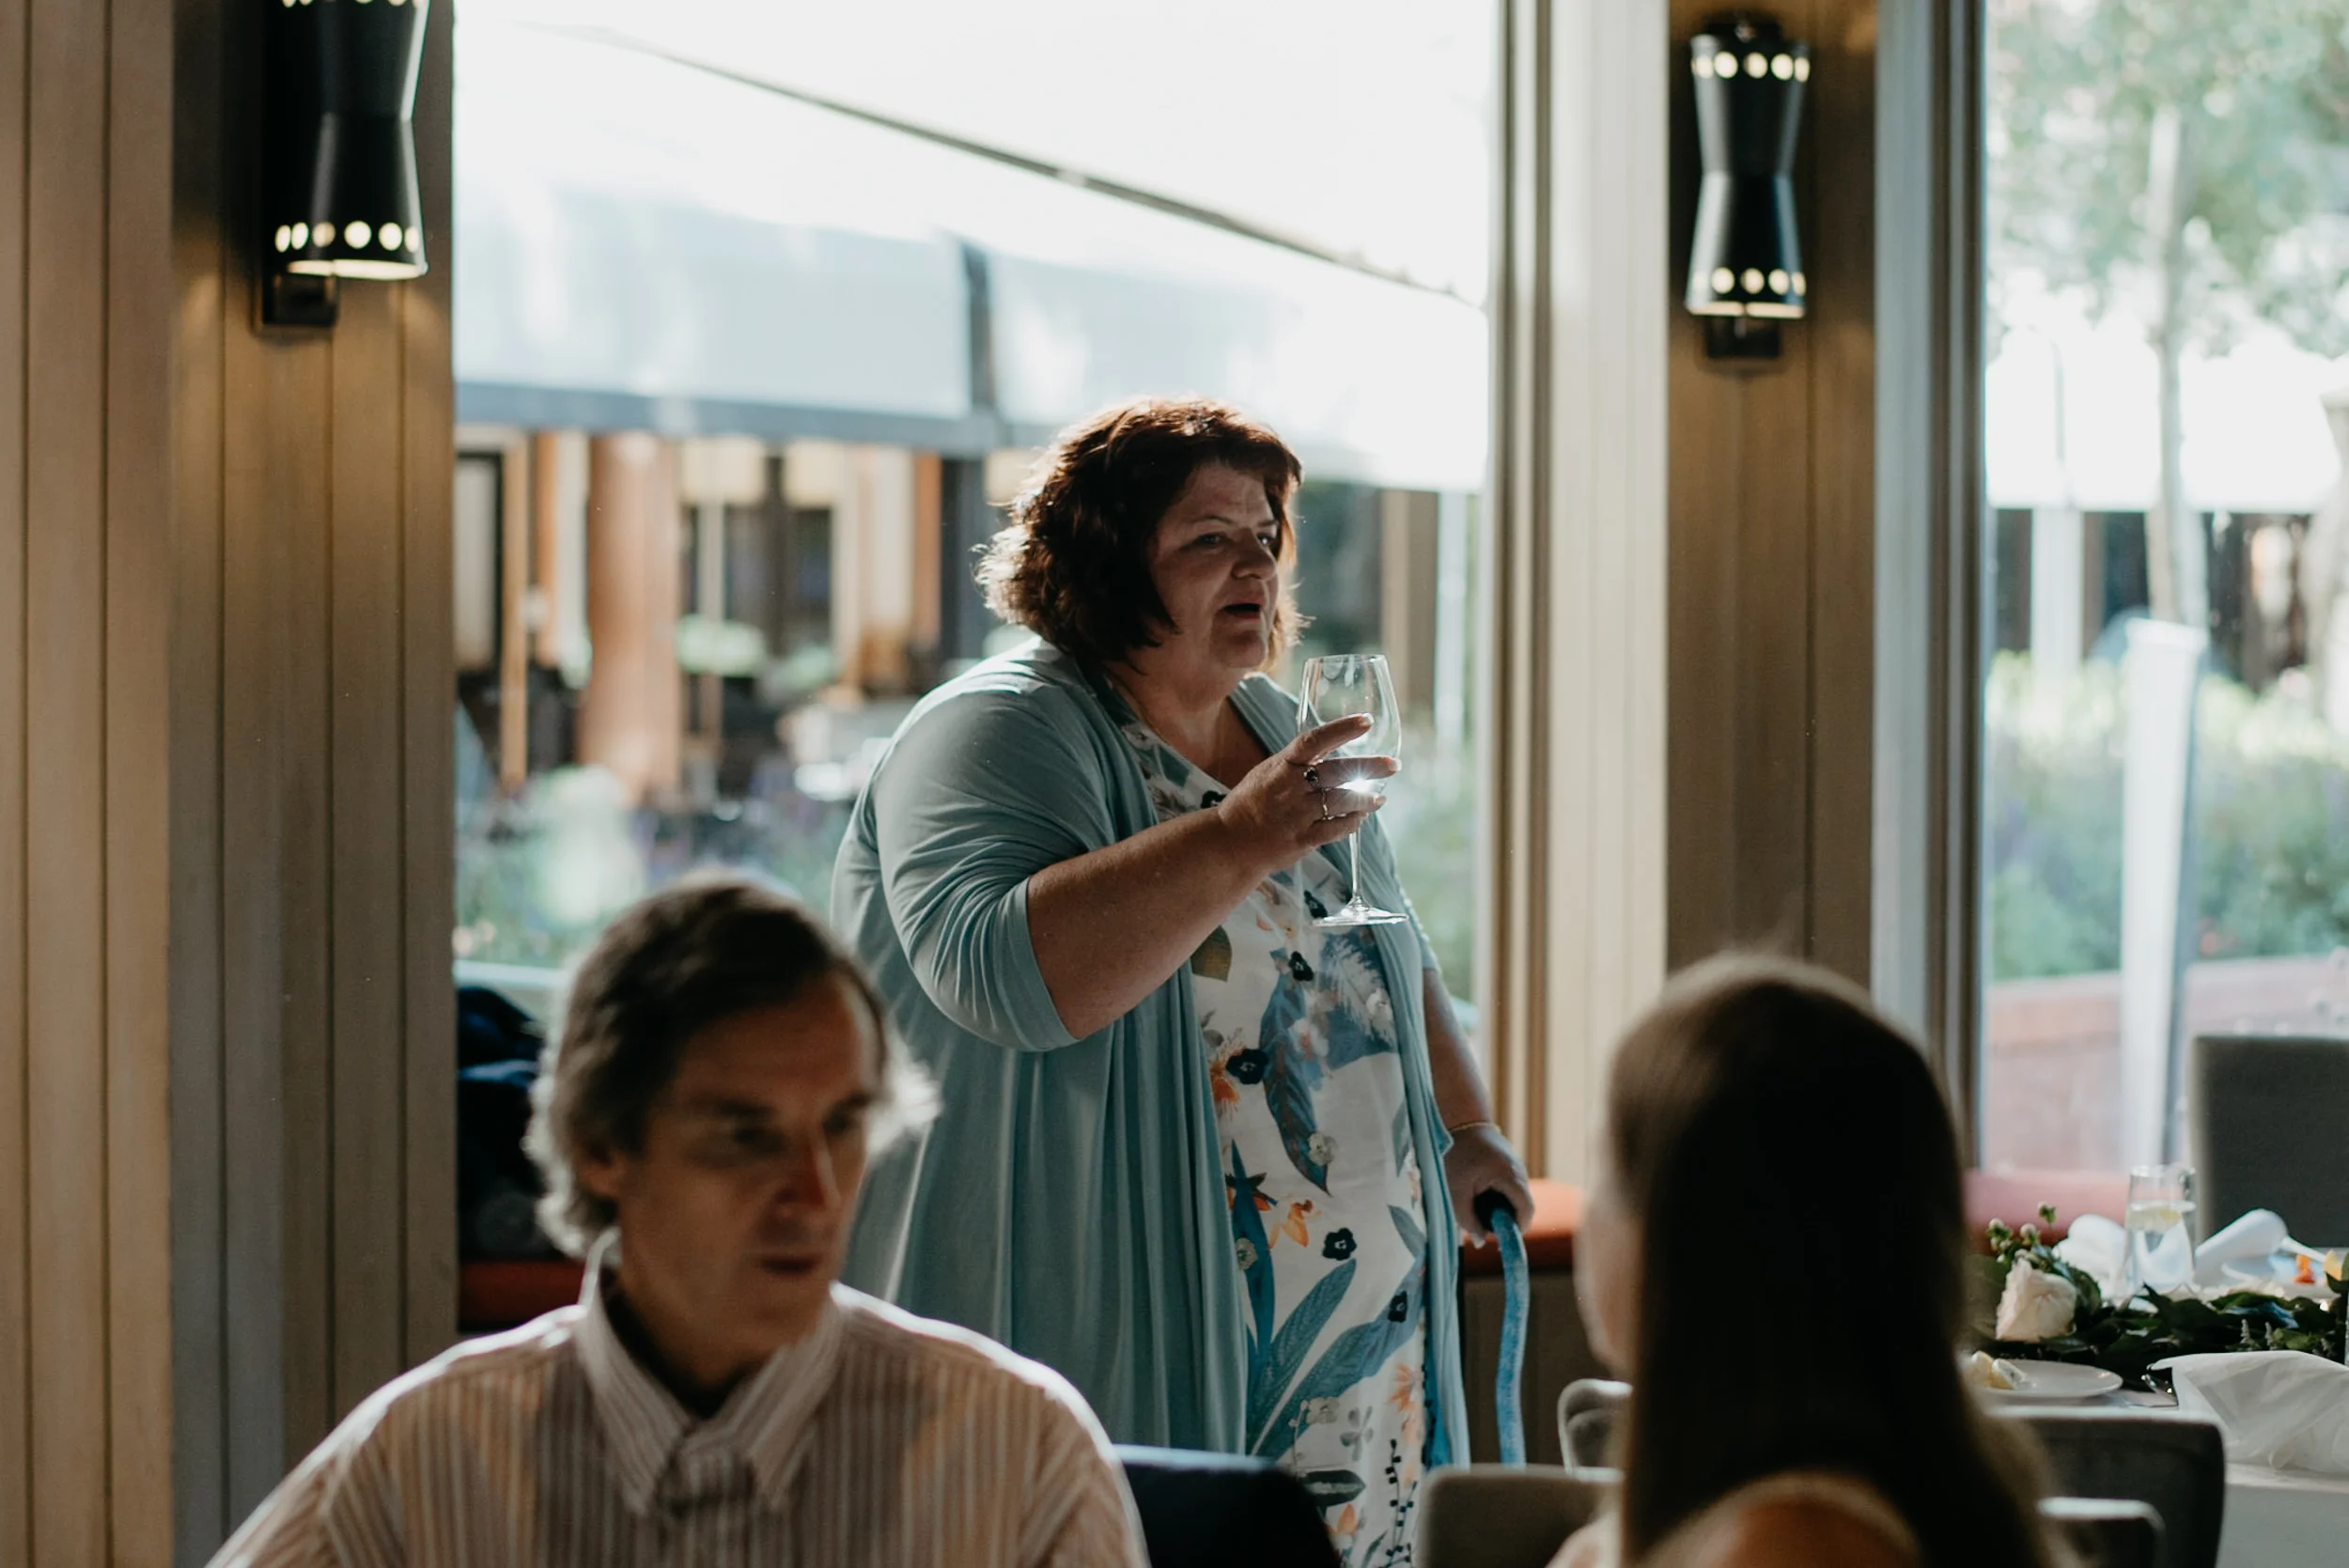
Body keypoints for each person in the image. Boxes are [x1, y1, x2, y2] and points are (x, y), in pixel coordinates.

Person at [835, 395, 1530, 1560]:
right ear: (1103, 563)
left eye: (1265, 532)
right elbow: (1000, 977)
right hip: (1127, 1326)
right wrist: (1237, 839)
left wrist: (1465, 1123)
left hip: (1365, 1354)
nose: (1254, 558)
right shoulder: (995, 731)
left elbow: (1388, 940)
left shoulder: (1268, 719)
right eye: (1208, 536)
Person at [210, 877, 1148, 1568]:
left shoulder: (1018, 1454)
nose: (814, 1195)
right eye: (746, 1137)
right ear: (600, 1144)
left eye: (843, 1127)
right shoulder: (425, 1461)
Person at [1553, 955, 2072, 1568]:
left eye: (1608, 1177)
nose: (1589, 1218)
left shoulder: (1790, 1547)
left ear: (1697, 1242)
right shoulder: (1761, 1512)